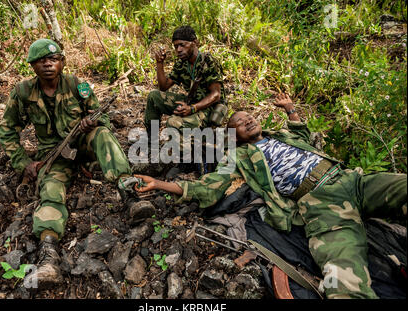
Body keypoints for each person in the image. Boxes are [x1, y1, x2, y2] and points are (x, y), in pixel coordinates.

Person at [135, 93, 407, 299]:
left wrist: (289, 108)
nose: (248, 120)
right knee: (344, 284)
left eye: (249, 116)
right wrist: (159, 183)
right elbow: (209, 186)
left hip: (352, 180)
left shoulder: (280, 135)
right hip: (322, 205)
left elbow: (303, 133)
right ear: (235, 136)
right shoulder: (237, 156)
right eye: (239, 122)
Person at [0, 39, 149, 289]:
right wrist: (23, 162)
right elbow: (7, 131)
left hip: (81, 144)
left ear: (62, 62)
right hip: (53, 155)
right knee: (50, 191)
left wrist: (93, 123)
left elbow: (104, 119)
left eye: (53, 59)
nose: (48, 64)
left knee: (102, 136)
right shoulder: (23, 92)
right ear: (33, 66)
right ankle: (49, 256)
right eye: (42, 61)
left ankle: (130, 193)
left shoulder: (77, 86)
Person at [144, 25, 227, 138]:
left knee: (173, 122)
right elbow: (164, 86)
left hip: (208, 108)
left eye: (182, 45)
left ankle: (197, 141)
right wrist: (159, 64)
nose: (178, 50)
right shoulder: (182, 64)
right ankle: (151, 139)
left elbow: (216, 95)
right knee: (154, 96)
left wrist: (193, 108)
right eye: (176, 46)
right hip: (191, 102)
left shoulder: (208, 62)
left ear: (195, 43)